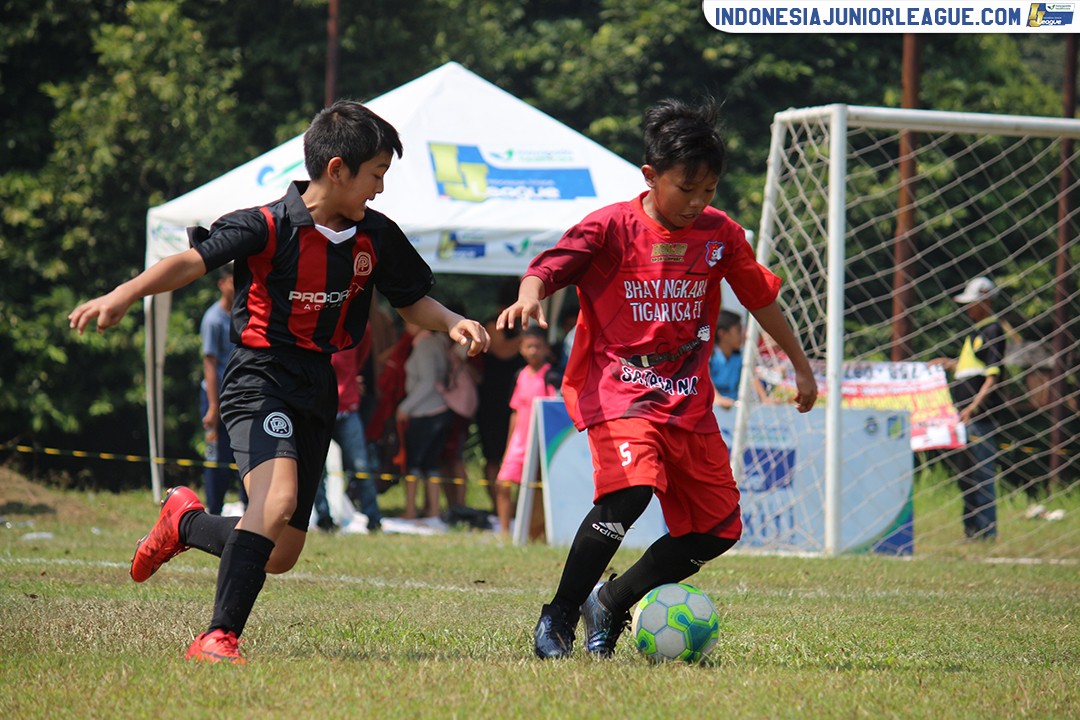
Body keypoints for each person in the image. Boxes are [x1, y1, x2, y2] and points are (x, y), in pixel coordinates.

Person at [68, 100, 490, 664]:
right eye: (376, 176)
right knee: (277, 499)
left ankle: (184, 522)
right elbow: (190, 263)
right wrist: (124, 294)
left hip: (318, 382)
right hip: (258, 376)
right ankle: (217, 637)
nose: (380, 191)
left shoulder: (376, 237)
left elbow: (412, 301)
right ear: (337, 169)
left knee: (281, 549)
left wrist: (453, 321)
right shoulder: (265, 225)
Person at [497, 98, 817, 660]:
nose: (698, 203)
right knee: (631, 492)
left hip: (688, 401)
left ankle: (613, 601)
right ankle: (559, 618)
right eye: (685, 188)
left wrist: (800, 364)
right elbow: (547, 269)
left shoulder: (720, 234)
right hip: (617, 389)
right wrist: (529, 296)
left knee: (718, 529)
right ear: (650, 176)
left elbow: (760, 299)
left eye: (709, 190)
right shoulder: (611, 227)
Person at [929, 276, 1004, 541]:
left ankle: (986, 533)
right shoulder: (975, 332)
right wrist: (949, 363)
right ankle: (971, 531)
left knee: (982, 477)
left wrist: (972, 408)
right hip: (961, 419)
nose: (967, 308)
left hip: (979, 419)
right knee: (967, 478)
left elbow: (992, 377)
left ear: (986, 301)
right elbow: (970, 368)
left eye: (972, 303)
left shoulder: (994, 330)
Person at [495, 327, 557, 535]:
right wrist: (509, 444)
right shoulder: (519, 375)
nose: (533, 351)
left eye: (538, 347)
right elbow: (515, 412)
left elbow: (554, 410)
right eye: (529, 346)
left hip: (540, 441)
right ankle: (504, 531)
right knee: (502, 484)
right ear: (521, 348)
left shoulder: (551, 376)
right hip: (519, 442)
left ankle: (534, 532)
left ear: (546, 348)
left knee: (536, 491)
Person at [199, 262, 248, 514]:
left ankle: (249, 510)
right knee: (217, 458)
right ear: (221, 284)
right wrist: (213, 407)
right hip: (215, 397)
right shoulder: (213, 319)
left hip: (240, 397)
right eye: (232, 280)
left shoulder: (243, 314)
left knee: (245, 456)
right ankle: (213, 510)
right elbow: (209, 365)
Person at [326, 335, 383, 533]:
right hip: (320, 408)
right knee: (315, 470)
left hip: (348, 408)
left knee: (360, 466)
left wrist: (351, 379)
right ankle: (324, 519)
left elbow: (362, 353)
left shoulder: (358, 327)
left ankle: (373, 517)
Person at [396, 322, 454, 519]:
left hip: (426, 413)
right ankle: (432, 511)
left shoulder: (425, 345)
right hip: (435, 411)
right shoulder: (435, 342)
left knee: (414, 463)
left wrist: (405, 407)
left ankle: (411, 510)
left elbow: (427, 382)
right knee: (431, 464)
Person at [709, 309, 744, 410]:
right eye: (739, 330)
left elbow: (752, 378)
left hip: (735, 406)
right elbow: (704, 378)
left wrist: (764, 398)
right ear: (722, 334)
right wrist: (717, 398)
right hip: (712, 408)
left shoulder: (739, 358)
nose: (742, 336)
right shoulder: (710, 357)